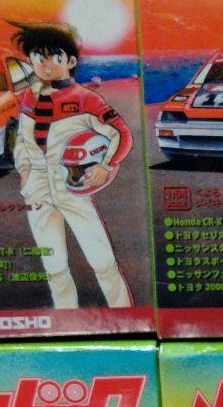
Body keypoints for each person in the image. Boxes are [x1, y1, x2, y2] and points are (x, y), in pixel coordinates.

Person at [10, 21, 133, 309]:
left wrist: (106, 165)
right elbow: (22, 141)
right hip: (37, 190)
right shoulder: (27, 97)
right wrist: (25, 171)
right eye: (38, 57)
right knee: (53, 267)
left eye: (54, 56)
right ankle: (68, 318)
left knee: (102, 261)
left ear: (71, 62)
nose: (46, 64)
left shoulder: (86, 99)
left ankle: (123, 313)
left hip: (72, 187)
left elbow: (122, 134)